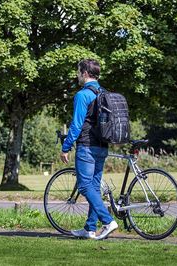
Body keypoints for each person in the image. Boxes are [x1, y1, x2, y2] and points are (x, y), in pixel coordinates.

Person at [60, 59, 118, 240]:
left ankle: (108, 221)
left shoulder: (82, 95)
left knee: (85, 186)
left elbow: (77, 125)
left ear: (85, 73)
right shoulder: (104, 93)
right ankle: (89, 229)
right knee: (94, 187)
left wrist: (66, 147)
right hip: (102, 146)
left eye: (78, 72)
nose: (77, 75)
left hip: (86, 147)